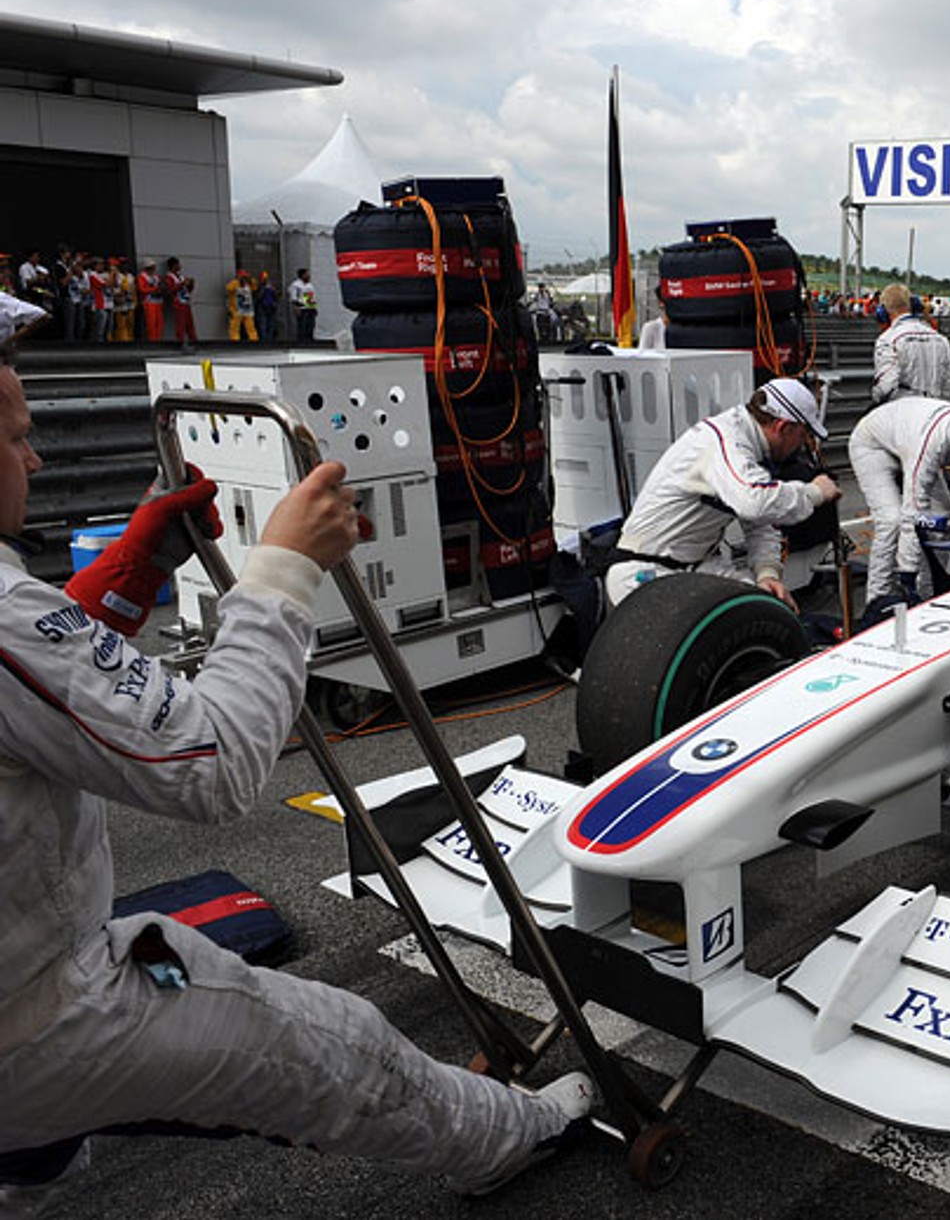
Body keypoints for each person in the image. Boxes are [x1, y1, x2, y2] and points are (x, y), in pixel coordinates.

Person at [0, 363, 594, 1210]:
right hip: (36, 1012)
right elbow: (215, 763)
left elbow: (45, 692)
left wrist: (124, 581)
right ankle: (507, 1136)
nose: (38, 462)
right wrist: (284, 571)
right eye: (20, 437)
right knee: (329, 1045)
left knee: (37, 1157)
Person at [603, 377, 839, 607]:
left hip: (691, 567)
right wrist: (814, 493)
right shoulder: (725, 440)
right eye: (803, 435)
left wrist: (767, 573)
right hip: (644, 572)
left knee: (762, 606)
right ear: (784, 427)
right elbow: (755, 502)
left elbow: (760, 518)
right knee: (715, 632)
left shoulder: (751, 447)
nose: (803, 445)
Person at [847, 397, 950, 610]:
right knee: (892, 520)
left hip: (907, 437)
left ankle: (927, 594)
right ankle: (876, 601)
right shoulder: (931, 447)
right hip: (872, 444)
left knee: (944, 515)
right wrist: (908, 570)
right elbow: (913, 511)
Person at [870, 283, 950, 405]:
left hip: (904, 413)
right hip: (935, 412)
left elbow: (887, 386)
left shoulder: (888, 340)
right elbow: (949, 386)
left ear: (883, 311)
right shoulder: (940, 339)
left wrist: (875, 397)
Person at [162, 257, 196, 347]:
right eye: (178, 264)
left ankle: (194, 342)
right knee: (181, 325)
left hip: (186, 302)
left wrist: (191, 285)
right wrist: (182, 284)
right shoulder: (169, 277)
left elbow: (187, 290)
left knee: (190, 325)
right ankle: (180, 344)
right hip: (178, 303)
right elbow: (170, 290)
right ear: (173, 266)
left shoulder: (180, 276)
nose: (180, 266)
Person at [225, 269, 258, 341]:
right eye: (243, 277)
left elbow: (255, 286)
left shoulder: (248, 284)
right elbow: (228, 288)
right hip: (238, 310)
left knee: (250, 327)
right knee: (235, 328)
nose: (244, 279)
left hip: (245, 310)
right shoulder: (235, 284)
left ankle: (254, 340)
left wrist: (249, 280)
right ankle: (236, 341)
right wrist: (237, 282)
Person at [136, 260, 164, 342]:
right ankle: (152, 341)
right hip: (149, 302)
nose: (154, 269)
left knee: (159, 323)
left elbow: (160, 285)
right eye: (152, 267)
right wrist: (154, 289)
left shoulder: (156, 277)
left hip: (158, 302)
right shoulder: (142, 277)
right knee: (151, 323)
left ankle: (158, 339)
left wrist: (161, 289)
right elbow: (142, 289)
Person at [289, 267, 318, 343]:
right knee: (302, 325)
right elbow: (294, 297)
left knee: (310, 325)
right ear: (302, 275)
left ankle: (309, 339)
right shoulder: (296, 285)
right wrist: (296, 307)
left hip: (309, 306)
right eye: (307, 274)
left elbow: (311, 297)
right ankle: (301, 340)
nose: (309, 276)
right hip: (302, 307)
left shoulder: (309, 285)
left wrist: (314, 308)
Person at [255, 271, 279, 344]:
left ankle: (270, 338)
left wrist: (273, 289)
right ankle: (264, 339)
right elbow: (258, 297)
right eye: (263, 279)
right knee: (263, 324)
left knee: (271, 323)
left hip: (271, 307)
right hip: (262, 307)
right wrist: (263, 289)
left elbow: (276, 296)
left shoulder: (271, 287)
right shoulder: (258, 286)